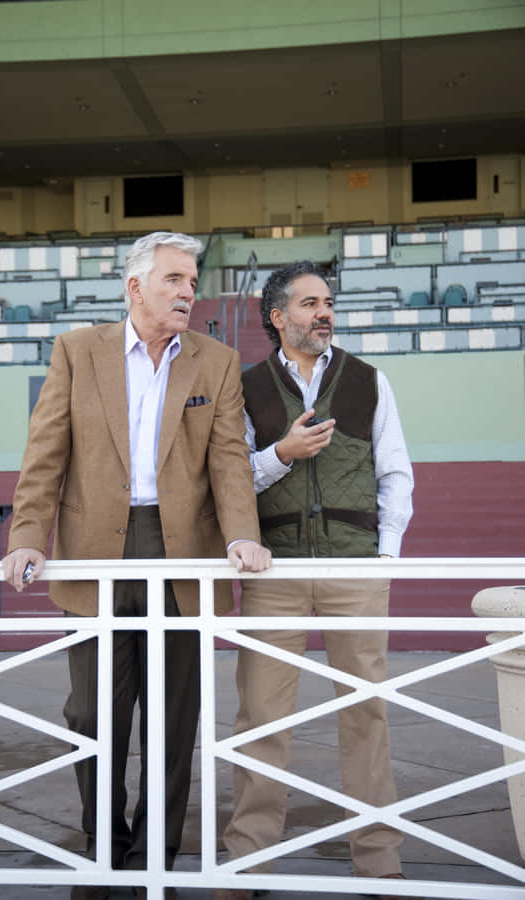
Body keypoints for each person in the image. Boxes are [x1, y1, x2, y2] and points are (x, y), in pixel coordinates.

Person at [2, 231, 271, 900]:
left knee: (173, 721)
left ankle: (154, 860)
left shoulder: (217, 360)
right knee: (93, 715)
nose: (189, 292)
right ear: (135, 287)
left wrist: (241, 534)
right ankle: (105, 853)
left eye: (192, 280)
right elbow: (45, 454)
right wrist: (28, 534)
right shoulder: (76, 350)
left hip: (183, 555)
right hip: (95, 554)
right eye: (175, 279)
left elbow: (229, 463)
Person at [216, 260, 414, 900]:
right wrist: (283, 454)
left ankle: (380, 865)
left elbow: (395, 472)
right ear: (278, 317)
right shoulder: (244, 387)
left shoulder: (368, 381)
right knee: (262, 721)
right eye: (308, 303)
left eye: (327, 302)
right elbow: (231, 480)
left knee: (368, 716)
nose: (323, 313)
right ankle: (247, 869)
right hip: (273, 570)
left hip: (355, 570)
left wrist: (384, 558)